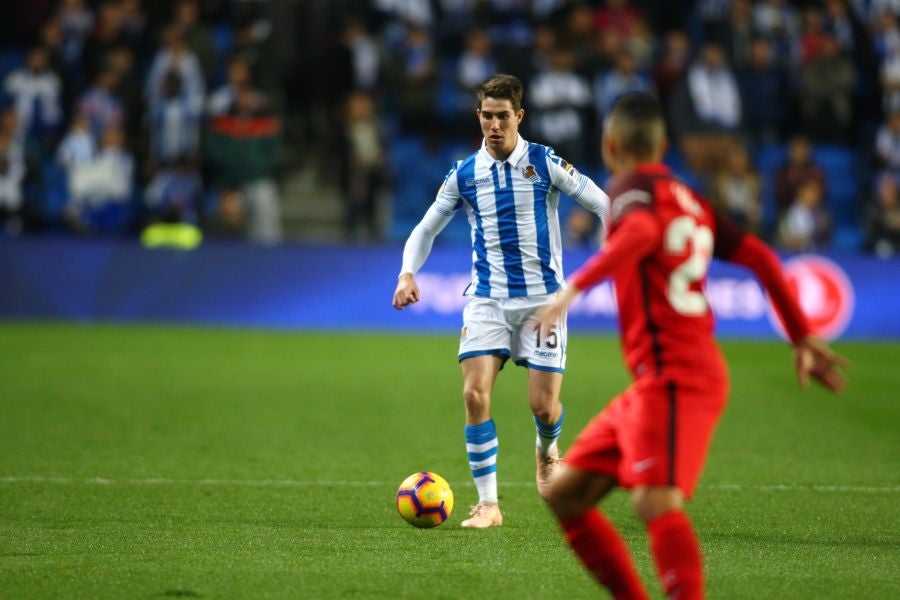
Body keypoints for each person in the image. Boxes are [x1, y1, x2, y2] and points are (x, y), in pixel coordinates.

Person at [535, 92, 848, 599]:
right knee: (566, 494)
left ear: (610, 146)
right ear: (664, 145)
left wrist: (571, 290)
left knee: (655, 502)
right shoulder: (690, 197)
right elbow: (764, 259)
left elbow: (638, 232)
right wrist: (799, 335)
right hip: (655, 381)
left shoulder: (627, 190)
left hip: (679, 374)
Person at [391, 74, 610, 528]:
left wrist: (617, 256)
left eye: (503, 116)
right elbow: (426, 228)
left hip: (543, 303)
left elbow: (604, 205)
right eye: (487, 116)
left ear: (519, 116)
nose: (494, 124)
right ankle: (488, 505)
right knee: (474, 394)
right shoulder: (465, 173)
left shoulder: (546, 164)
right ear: (479, 116)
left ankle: (548, 451)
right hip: (487, 300)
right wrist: (407, 273)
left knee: (543, 408)